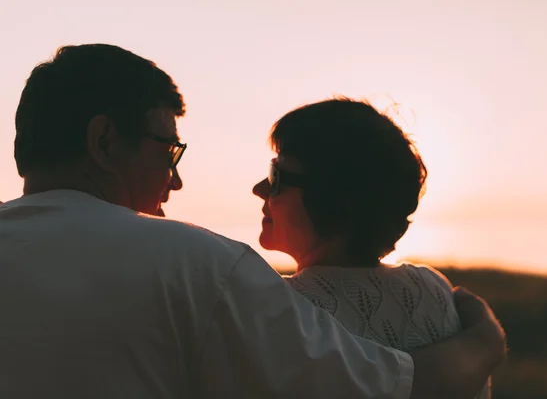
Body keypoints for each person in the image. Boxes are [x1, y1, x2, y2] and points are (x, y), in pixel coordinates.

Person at [0, 44, 505, 398]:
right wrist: (485, 343)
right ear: (104, 141)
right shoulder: (198, 267)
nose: (174, 183)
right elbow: (391, 390)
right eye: (169, 150)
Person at [252, 98, 493, 397]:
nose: (259, 188)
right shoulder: (435, 292)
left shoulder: (280, 308)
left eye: (277, 176)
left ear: (334, 201)